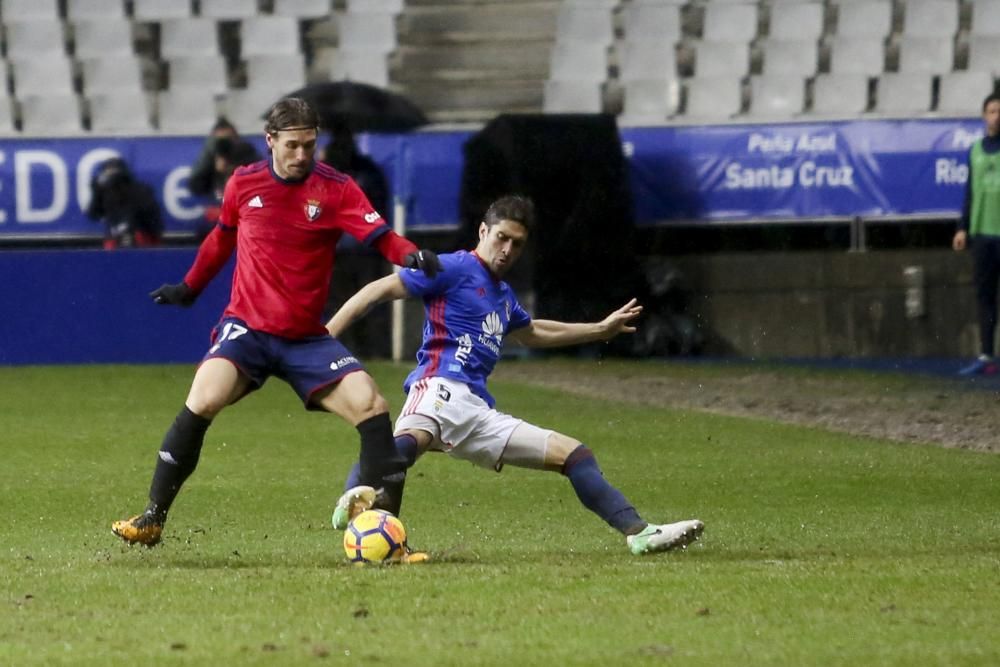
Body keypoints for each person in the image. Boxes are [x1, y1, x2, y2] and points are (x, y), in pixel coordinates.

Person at [111, 97, 442, 561]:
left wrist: (409, 254)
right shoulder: (243, 184)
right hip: (247, 328)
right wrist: (190, 288)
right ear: (270, 142)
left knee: (372, 406)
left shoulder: (336, 189)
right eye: (292, 145)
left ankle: (389, 537)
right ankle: (152, 517)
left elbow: (382, 236)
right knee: (204, 397)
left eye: (309, 144)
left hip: (306, 337)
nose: (302, 155)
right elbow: (221, 238)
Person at [326, 195, 704, 556]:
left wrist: (599, 330)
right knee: (407, 445)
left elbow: (532, 332)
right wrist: (325, 341)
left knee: (574, 455)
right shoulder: (453, 267)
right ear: (482, 233)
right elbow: (377, 290)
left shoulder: (503, 296)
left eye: (517, 244)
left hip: (475, 409)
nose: (507, 250)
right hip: (439, 385)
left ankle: (638, 534)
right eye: (501, 238)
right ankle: (356, 495)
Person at [320, 120, 393, 358]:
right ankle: (370, 352)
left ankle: (349, 353)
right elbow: (381, 210)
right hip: (359, 249)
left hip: (344, 251)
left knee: (345, 306)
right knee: (365, 305)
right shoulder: (368, 171)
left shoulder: (323, 174)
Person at [954, 91, 1000, 376]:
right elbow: (969, 192)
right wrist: (962, 227)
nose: (997, 115)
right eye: (993, 110)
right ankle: (986, 356)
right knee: (985, 296)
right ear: (984, 116)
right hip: (982, 234)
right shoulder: (975, 150)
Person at [188, 117, 261, 239]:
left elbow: (258, 177)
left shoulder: (247, 153)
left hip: (246, 213)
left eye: (227, 139)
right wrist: (210, 161)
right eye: (219, 140)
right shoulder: (210, 157)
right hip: (218, 214)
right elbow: (196, 186)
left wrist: (233, 167)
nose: (224, 143)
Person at [86, 157, 162, 249]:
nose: (109, 174)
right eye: (107, 171)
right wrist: (96, 192)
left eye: (112, 170)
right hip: (114, 238)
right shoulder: (105, 192)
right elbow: (94, 214)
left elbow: (151, 219)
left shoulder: (139, 190)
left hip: (139, 237)